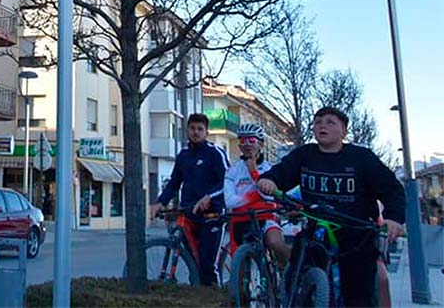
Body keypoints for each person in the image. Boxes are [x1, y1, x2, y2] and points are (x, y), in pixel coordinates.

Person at [258, 106, 405, 308]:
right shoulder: (304, 155)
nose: (322, 126)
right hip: (316, 229)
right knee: (297, 277)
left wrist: (394, 218)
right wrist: (269, 181)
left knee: (358, 292)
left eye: (330, 122)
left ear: (344, 131)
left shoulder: (361, 158)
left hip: (355, 233)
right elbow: (281, 173)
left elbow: (392, 189)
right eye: (317, 122)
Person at [151, 113, 230, 285]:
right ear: (187, 130)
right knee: (194, 263)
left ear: (206, 132)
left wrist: (209, 197)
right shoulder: (183, 155)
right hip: (189, 213)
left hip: (212, 215)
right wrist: (159, 203)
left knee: (207, 265)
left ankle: (214, 297)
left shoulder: (215, 153)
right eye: (192, 128)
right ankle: (197, 296)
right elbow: (173, 183)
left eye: (200, 129)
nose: (196, 132)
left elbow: (227, 182)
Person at [224, 122, 291, 266]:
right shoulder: (233, 170)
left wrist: (254, 172)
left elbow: (269, 195)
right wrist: (256, 196)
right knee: (239, 267)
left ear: (260, 144)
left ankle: (288, 278)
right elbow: (229, 201)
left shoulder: (270, 169)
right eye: (242, 140)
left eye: (252, 140)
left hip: (266, 217)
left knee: (276, 244)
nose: (247, 144)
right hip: (240, 220)